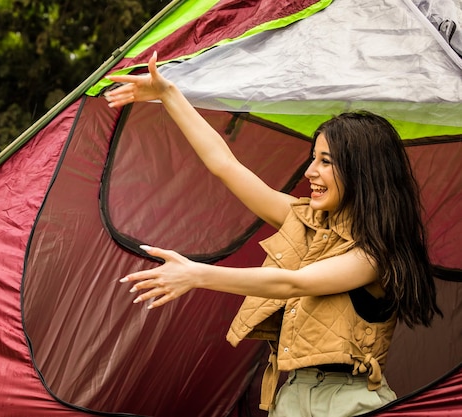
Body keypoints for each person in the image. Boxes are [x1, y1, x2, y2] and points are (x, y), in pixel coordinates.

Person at [104, 52, 442, 417]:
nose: (311, 171)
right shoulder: (304, 219)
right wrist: (169, 95)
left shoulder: (375, 255)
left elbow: (294, 283)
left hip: (351, 401)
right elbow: (225, 165)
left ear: (362, 173)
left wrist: (197, 274)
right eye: (313, 157)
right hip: (292, 395)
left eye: (326, 161)